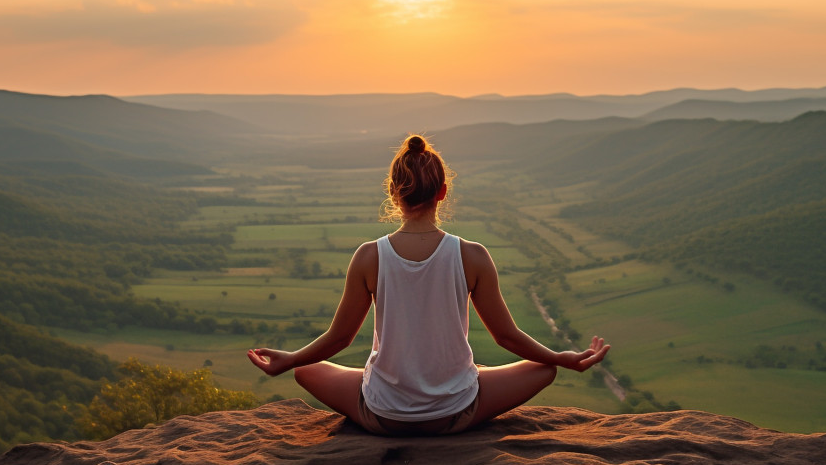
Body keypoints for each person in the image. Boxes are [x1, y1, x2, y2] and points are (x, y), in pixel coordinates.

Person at [247, 134, 610, 435]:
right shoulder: (472, 255)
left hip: (383, 417)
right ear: (442, 192)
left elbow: (339, 339)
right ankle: (446, 382)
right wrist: (561, 359)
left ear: (393, 192)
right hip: (455, 415)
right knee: (541, 369)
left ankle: (392, 380)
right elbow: (507, 337)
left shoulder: (369, 256)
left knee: (306, 369)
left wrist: (290, 359)